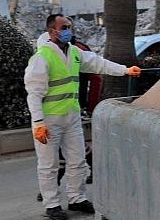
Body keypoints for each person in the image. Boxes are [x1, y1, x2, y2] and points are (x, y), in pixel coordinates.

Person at [25, 14, 141, 220]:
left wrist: (124, 70)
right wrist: (38, 122)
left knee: (77, 160)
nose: (69, 30)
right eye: (64, 27)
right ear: (52, 32)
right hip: (50, 119)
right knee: (49, 165)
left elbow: (98, 63)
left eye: (70, 26)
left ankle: (76, 198)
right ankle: (52, 204)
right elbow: (33, 93)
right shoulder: (42, 57)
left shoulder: (74, 52)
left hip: (71, 116)